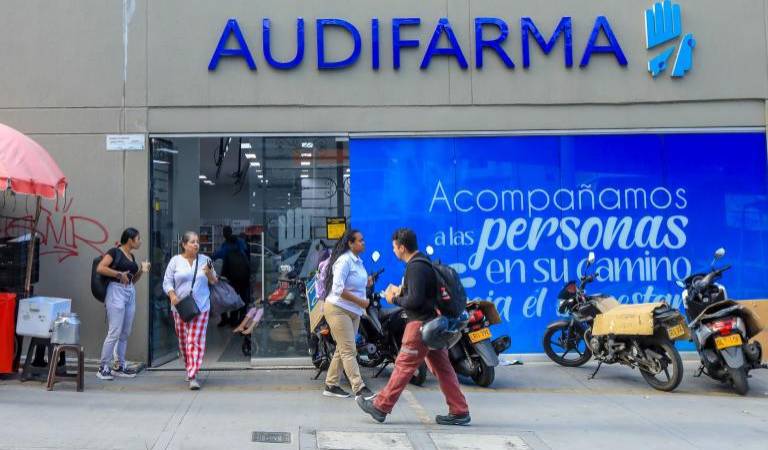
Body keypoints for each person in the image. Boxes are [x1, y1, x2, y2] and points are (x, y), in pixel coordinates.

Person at [357, 228, 470, 425]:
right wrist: (402, 290)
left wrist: (395, 298)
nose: (393, 251)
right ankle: (459, 410)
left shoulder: (415, 267)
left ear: (402, 247)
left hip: (419, 324)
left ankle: (381, 406)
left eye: (394, 247)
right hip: (432, 325)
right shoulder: (424, 263)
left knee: (403, 366)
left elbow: (415, 300)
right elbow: (421, 294)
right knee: (443, 369)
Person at [322, 229, 375, 400]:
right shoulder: (344, 261)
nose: (363, 243)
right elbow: (337, 289)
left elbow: (353, 284)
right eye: (360, 240)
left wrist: (367, 283)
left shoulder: (357, 262)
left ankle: (331, 384)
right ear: (350, 243)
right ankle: (359, 387)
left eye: (363, 240)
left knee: (342, 348)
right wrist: (361, 302)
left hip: (353, 311)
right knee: (349, 350)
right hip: (338, 309)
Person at [163, 231, 219, 390]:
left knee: (194, 340)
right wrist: (172, 295)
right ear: (184, 244)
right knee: (183, 341)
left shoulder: (205, 260)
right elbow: (167, 282)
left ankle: (193, 375)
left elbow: (214, 281)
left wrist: (209, 273)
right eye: (192, 242)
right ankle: (189, 367)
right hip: (180, 307)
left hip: (201, 306)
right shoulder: (175, 261)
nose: (196, 244)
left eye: (197, 242)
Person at [96, 228, 150, 380]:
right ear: (130, 240)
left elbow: (131, 280)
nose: (140, 242)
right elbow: (100, 268)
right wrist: (118, 274)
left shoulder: (131, 255)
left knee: (125, 332)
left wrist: (141, 271)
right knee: (114, 331)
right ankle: (103, 367)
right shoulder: (114, 252)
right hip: (116, 292)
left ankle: (119, 366)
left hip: (129, 291)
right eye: (138, 239)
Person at [213, 226, 250, 326]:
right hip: (244, 277)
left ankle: (231, 320)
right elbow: (247, 259)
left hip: (232, 278)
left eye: (224, 232)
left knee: (229, 297)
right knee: (242, 299)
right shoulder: (241, 245)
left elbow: (216, 256)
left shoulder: (226, 247)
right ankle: (240, 319)